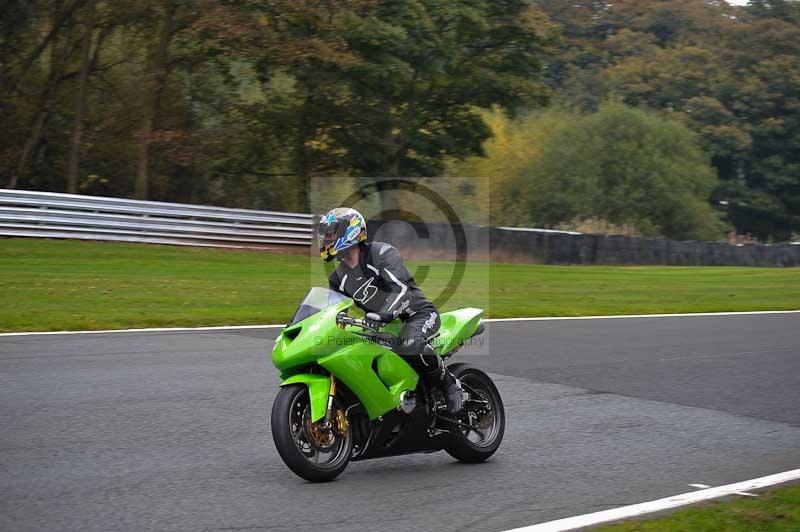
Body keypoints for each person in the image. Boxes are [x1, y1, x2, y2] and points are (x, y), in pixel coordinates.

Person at [319, 207, 463, 413]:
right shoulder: (337, 279)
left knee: (410, 344)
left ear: (349, 232)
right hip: (380, 326)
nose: (326, 239)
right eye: (325, 235)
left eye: (331, 233)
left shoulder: (381, 253)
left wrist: (383, 314)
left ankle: (449, 385)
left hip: (417, 314)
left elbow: (402, 290)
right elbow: (332, 312)